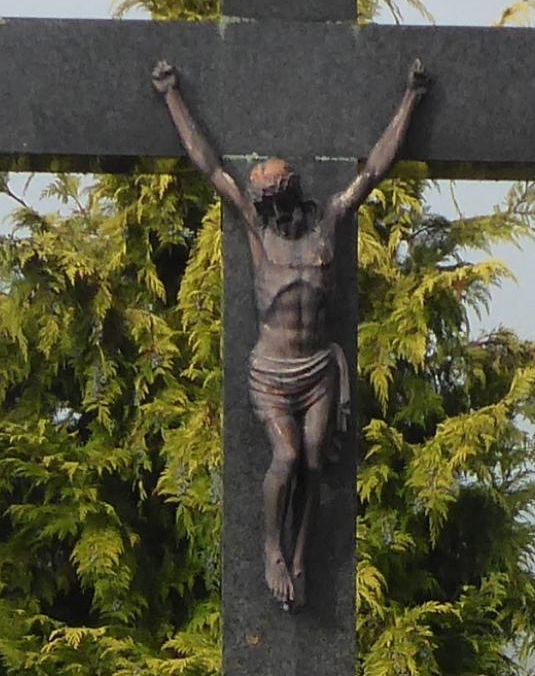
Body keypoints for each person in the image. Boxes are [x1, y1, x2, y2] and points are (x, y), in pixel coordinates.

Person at [151, 57, 430, 610]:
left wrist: (412, 99)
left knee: (312, 462)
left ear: (289, 199)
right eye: (260, 206)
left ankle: (301, 560)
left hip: (320, 372)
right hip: (273, 373)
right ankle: (272, 549)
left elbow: (373, 169)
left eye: (271, 204)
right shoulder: (257, 231)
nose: (265, 213)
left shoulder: (328, 221)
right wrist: (171, 97)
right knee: (284, 457)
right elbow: (209, 167)